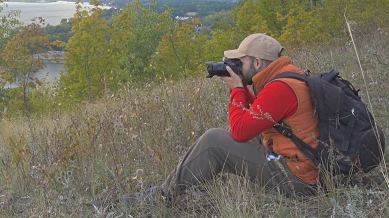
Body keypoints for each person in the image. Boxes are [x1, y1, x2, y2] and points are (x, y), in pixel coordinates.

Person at [124, 33, 319, 205]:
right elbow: (259, 114)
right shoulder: (290, 76)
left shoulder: (280, 88)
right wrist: (241, 88)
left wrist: (236, 90)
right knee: (250, 133)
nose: (238, 68)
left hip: (296, 179)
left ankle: (162, 198)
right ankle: (184, 180)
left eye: (241, 62)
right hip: (307, 166)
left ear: (257, 63)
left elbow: (240, 131)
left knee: (214, 141)